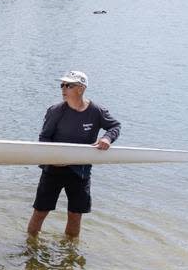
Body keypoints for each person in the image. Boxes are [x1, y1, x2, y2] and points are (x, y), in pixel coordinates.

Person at [27, 70, 121, 239]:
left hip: (80, 171)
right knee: (40, 211)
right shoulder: (55, 111)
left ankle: (70, 251)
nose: (63, 88)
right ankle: (30, 246)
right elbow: (44, 137)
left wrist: (107, 138)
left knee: (75, 215)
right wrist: (52, 159)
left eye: (68, 85)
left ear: (81, 88)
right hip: (53, 169)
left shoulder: (96, 111)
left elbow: (115, 126)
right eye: (62, 84)